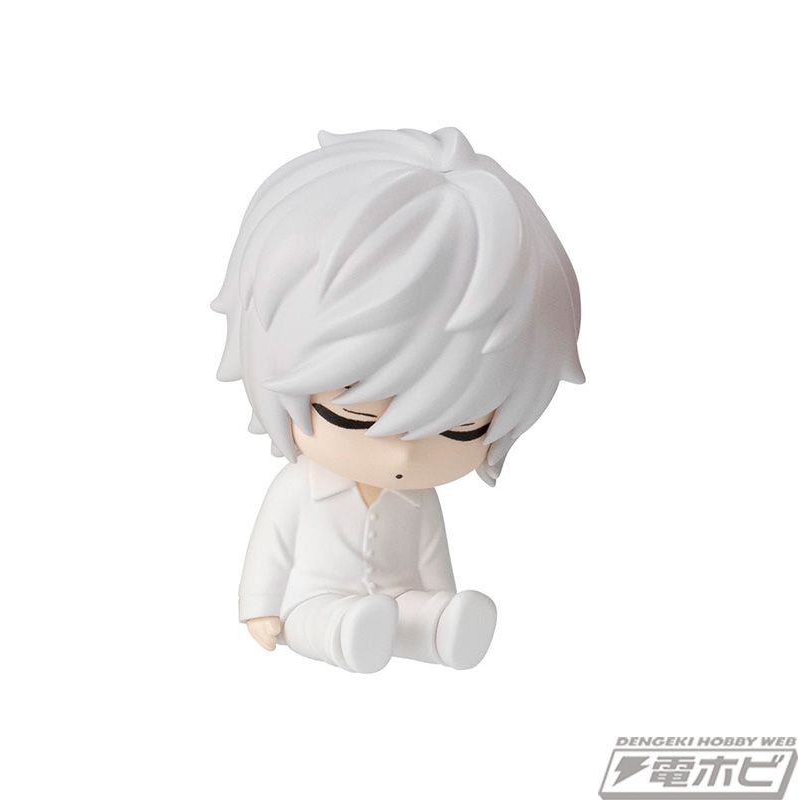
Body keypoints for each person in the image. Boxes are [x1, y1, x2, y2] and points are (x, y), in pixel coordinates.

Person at [212, 127, 583, 672]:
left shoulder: (419, 499)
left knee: (419, 611)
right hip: (313, 598)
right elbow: (273, 547)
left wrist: (442, 600)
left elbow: (432, 558)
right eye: (351, 416)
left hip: (398, 593)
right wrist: (259, 607)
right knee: (318, 618)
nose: (404, 452)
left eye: (461, 427)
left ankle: (437, 633)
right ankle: (346, 635)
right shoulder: (298, 488)